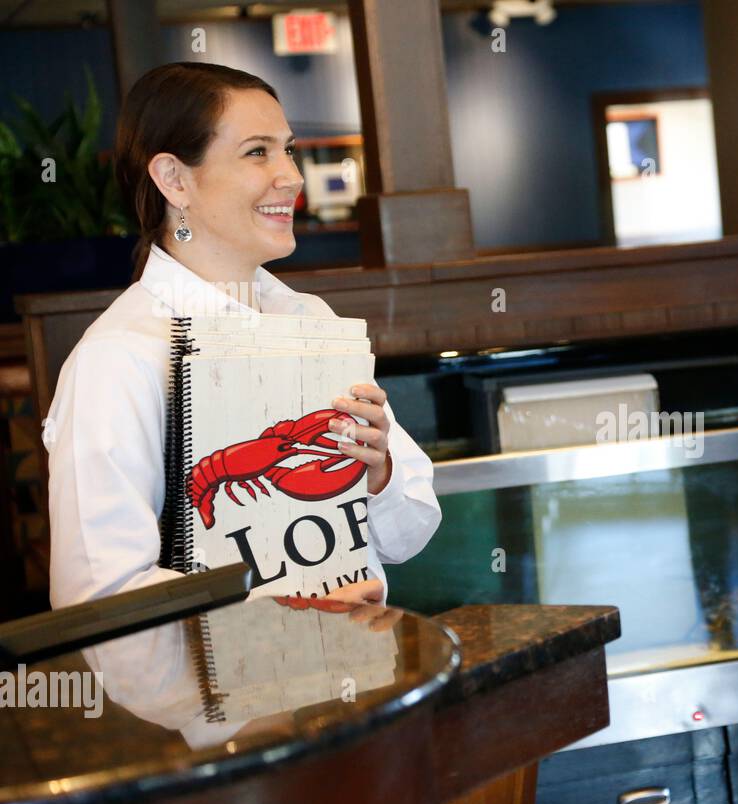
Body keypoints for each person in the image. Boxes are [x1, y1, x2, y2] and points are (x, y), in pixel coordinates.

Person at [43, 62, 441, 611]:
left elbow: (410, 532)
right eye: (258, 152)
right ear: (174, 179)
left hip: (356, 678)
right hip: (211, 695)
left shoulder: (311, 320)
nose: (293, 176)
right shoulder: (119, 358)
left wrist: (381, 472)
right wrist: (282, 615)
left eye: (289, 148)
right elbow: (98, 597)